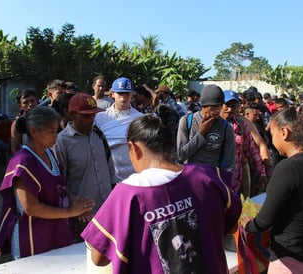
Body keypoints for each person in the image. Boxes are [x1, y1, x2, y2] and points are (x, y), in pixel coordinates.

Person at [81, 114, 242, 274]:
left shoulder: (127, 195)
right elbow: (232, 225)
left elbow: (98, 257)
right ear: (171, 144)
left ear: (134, 148)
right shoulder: (206, 177)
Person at [0, 106, 94, 260]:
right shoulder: (23, 161)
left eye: (56, 130)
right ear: (34, 131)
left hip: (55, 231)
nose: (56, 136)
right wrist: (70, 212)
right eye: (51, 131)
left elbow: (59, 187)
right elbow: (31, 207)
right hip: (33, 236)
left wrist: (78, 204)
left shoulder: (48, 153)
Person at [241, 106, 303, 273]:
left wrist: (248, 224)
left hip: (289, 259)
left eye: (272, 135)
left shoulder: (287, 167)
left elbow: (264, 221)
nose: (272, 141)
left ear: (284, 132)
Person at [55, 93, 118, 237]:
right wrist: (76, 204)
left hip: (108, 211)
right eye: (85, 116)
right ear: (72, 115)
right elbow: (59, 184)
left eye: (93, 115)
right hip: (83, 217)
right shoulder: (61, 143)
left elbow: (110, 169)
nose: (91, 119)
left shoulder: (99, 135)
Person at [176, 84, 236, 173]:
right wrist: (201, 134)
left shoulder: (226, 128)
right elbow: (181, 156)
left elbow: (229, 164)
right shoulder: (187, 121)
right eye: (214, 106)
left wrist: (223, 184)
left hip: (212, 180)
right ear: (204, 105)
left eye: (220, 106)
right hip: (189, 179)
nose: (218, 110)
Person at [94, 77, 142, 181]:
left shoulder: (140, 118)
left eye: (127, 94)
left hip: (134, 174)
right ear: (112, 95)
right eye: (120, 94)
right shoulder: (100, 118)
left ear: (132, 95)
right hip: (108, 174)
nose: (123, 97)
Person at [220, 90, 267, 197]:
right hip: (216, 181)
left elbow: (252, 151)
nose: (230, 109)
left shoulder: (241, 125)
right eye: (227, 105)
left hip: (235, 182)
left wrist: (262, 173)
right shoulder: (211, 125)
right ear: (220, 105)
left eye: (234, 106)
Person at [10, 89, 38, 155]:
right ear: (20, 106)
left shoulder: (45, 119)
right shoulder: (18, 123)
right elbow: (14, 148)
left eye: (32, 101)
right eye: (26, 102)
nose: (30, 104)